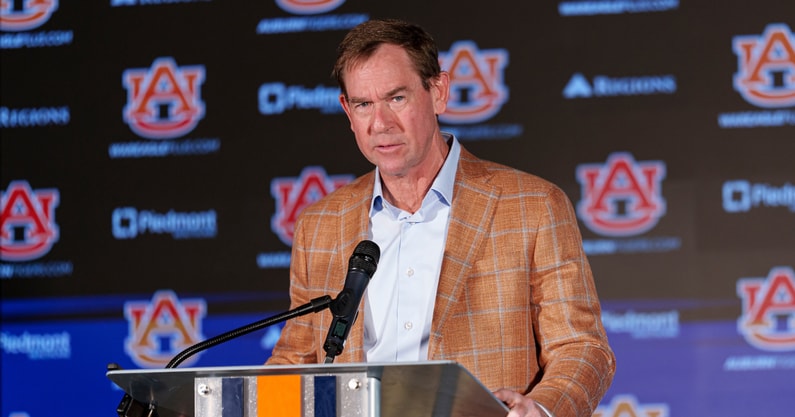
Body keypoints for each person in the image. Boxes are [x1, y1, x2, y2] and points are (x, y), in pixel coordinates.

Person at [267, 18, 616, 417]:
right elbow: (296, 362)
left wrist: (539, 408)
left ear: (438, 92)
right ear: (348, 111)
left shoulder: (532, 206)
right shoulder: (320, 226)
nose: (380, 124)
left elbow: (582, 348)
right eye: (364, 104)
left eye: (397, 98)